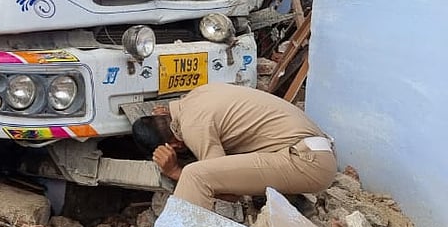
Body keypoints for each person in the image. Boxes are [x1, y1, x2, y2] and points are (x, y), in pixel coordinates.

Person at [131, 82, 338, 211]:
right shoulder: (197, 95)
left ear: (174, 144)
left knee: (195, 175)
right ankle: (292, 202)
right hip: (312, 151)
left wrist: (175, 171)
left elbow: (228, 192)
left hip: (308, 162)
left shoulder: (193, 126)